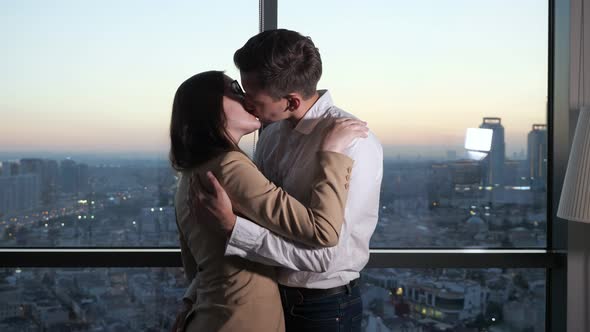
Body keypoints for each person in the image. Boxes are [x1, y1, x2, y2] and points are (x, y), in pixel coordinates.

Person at [192, 29, 383, 332]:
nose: (245, 103)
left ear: (291, 102)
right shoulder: (270, 135)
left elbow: (325, 257)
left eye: (252, 97)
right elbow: (266, 217)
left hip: (323, 307)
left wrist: (233, 229)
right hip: (271, 296)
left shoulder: (354, 144)